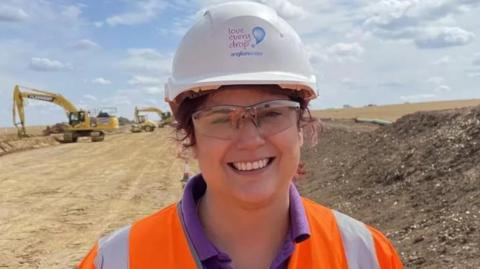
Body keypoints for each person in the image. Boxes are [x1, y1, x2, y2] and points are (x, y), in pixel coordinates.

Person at [77, 2, 404, 269]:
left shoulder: (366, 255)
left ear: (301, 128)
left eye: (272, 113)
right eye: (221, 119)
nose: (249, 140)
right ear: (191, 138)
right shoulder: (116, 261)